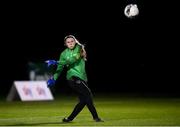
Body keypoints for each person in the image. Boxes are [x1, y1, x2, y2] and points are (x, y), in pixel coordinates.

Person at [47, 35, 103, 122]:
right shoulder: (63, 54)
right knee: (88, 95)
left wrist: (57, 62)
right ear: (65, 44)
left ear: (75, 41)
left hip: (82, 77)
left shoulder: (79, 48)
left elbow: (73, 59)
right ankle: (96, 118)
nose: (70, 43)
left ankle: (69, 119)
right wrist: (54, 78)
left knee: (83, 100)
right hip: (72, 77)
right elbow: (60, 68)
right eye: (68, 42)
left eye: (72, 41)